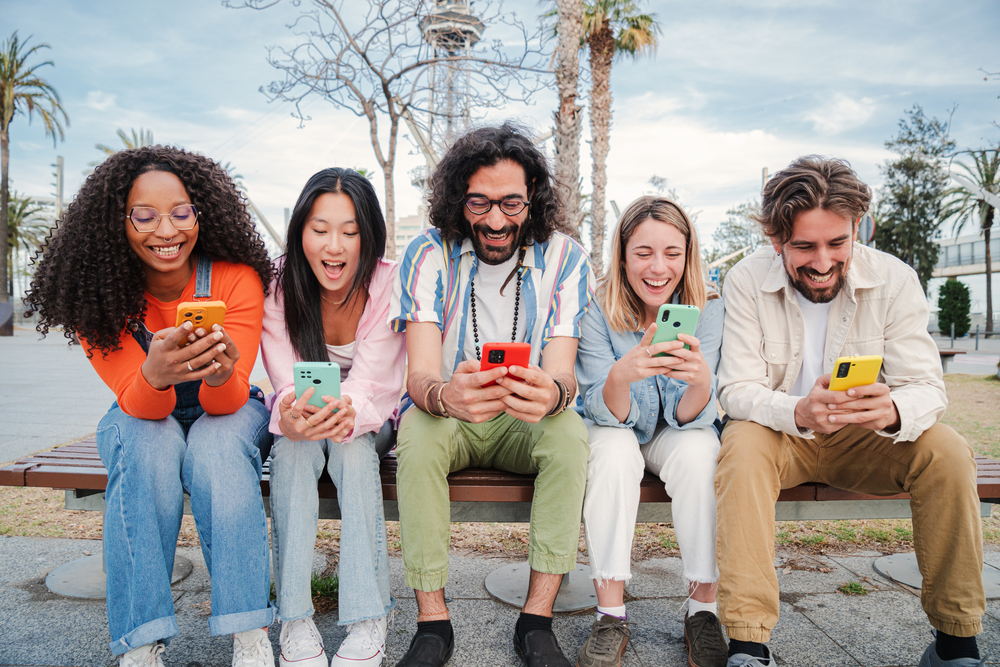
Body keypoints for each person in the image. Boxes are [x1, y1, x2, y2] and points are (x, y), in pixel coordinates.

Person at [715, 156, 985, 667]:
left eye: (837, 243)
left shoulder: (894, 279)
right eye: (804, 246)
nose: (822, 261)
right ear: (776, 240)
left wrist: (894, 408)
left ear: (858, 228)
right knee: (742, 444)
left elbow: (928, 387)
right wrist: (799, 409)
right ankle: (749, 645)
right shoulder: (746, 280)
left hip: (866, 438)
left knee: (947, 449)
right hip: (782, 434)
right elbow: (737, 390)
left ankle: (956, 643)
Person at [23, 146, 277, 667]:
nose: (166, 230)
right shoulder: (97, 294)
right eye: (145, 215)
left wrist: (224, 371)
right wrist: (155, 374)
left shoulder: (235, 280)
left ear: (201, 214)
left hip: (226, 409)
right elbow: (140, 406)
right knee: (147, 445)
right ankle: (140, 643)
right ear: (118, 222)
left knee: (216, 448)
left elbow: (228, 401)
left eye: (181, 212)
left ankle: (249, 631)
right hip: (142, 412)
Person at [388, 122, 593, 667]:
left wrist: (551, 395)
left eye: (511, 203)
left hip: (521, 421)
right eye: (479, 203)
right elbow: (420, 378)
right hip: (454, 415)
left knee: (570, 435)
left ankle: (537, 619)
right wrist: (443, 397)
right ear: (459, 201)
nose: (496, 220)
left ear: (533, 201)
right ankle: (432, 623)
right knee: (418, 431)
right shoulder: (428, 253)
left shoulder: (565, 257)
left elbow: (565, 377)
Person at [575, 196, 727, 667]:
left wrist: (701, 381)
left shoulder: (709, 305)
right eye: (643, 253)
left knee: (701, 453)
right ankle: (611, 613)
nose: (658, 268)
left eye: (672, 253)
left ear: (688, 255)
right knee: (615, 453)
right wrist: (623, 374)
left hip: (677, 425)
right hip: (615, 422)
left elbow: (691, 418)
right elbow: (606, 413)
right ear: (622, 256)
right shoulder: (597, 308)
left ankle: (703, 610)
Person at [260, 167, 404, 667]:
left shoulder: (387, 281)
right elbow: (283, 380)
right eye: (320, 229)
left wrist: (344, 413)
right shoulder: (279, 283)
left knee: (350, 446)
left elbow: (375, 382)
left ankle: (369, 616)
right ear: (301, 231)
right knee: (294, 449)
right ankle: (294, 619)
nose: (334, 247)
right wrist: (291, 415)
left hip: (367, 418)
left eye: (350, 231)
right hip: (302, 420)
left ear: (369, 236)